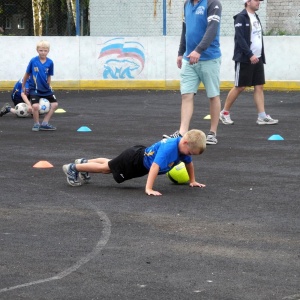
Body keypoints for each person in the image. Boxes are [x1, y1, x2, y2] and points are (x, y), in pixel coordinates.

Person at [63, 129, 207, 196]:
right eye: (190, 152)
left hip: (137, 157)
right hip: (134, 161)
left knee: (111, 164)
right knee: (107, 169)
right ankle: (74, 168)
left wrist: (192, 180)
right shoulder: (169, 148)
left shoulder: (183, 149)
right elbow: (155, 167)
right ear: (185, 142)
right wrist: (149, 188)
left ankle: (84, 162)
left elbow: (189, 163)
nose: (188, 156)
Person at [164, 0, 222, 145]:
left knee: (213, 95)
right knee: (186, 95)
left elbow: (212, 29)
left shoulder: (212, 3)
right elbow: (185, 29)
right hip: (188, 58)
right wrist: (180, 52)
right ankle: (182, 133)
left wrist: (199, 50)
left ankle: (212, 133)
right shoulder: (186, 4)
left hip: (209, 58)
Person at [219, 0, 278, 125]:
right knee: (240, 86)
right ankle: (224, 113)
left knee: (259, 86)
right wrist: (250, 54)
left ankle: (262, 116)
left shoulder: (255, 17)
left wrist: (258, 55)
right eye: (256, 0)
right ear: (247, 2)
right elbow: (240, 39)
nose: (259, 3)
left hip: (258, 58)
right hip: (245, 58)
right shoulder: (241, 17)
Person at [22, 40, 59, 131]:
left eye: (45, 50)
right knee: (35, 106)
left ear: (48, 51)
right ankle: (36, 124)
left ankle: (45, 123)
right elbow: (27, 74)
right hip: (35, 89)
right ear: (37, 50)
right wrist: (23, 86)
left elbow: (49, 75)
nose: (43, 52)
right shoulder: (33, 61)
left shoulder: (50, 62)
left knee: (55, 105)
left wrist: (49, 85)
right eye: (41, 50)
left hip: (46, 89)